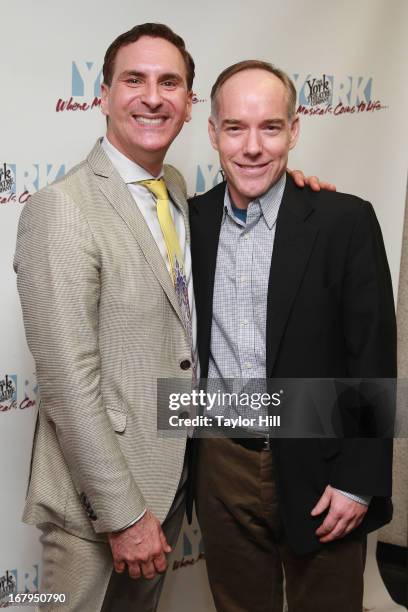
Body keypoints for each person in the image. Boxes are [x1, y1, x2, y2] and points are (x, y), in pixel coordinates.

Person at [14, 24, 328, 612]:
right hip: (99, 509)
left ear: (190, 106)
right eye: (134, 80)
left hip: (172, 486)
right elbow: (66, 387)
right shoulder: (62, 209)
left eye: (170, 83)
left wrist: (298, 195)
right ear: (103, 94)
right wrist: (125, 514)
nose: (153, 96)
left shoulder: (178, 192)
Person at [189, 60, 396, 612]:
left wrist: (359, 479)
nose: (253, 147)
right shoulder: (188, 223)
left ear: (294, 130)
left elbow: (373, 353)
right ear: (212, 132)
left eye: (270, 128)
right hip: (220, 463)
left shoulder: (344, 220)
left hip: (321, 460)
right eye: (235, 128)